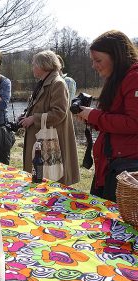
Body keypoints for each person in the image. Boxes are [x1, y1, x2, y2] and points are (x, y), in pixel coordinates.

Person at [76, 30, 138, 201]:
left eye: (98, 60)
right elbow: (112, 118)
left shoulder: (134, 78)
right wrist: (91, 119)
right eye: (92, 61)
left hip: (126, 168)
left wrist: (94, 116)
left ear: (116, 56)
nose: (94, 66)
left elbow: (134, 122)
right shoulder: (117, 79)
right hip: (110, 163)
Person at [19, 50, 80, 185]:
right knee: (39, 178)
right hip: (40, 139)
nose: (32, 68)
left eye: (34, 65)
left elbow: (59, 113)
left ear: (44, 66)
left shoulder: (58, 83)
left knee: (53, 179)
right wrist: (26, 116)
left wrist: (33, 119)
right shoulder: (44, 82)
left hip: (53, 141)